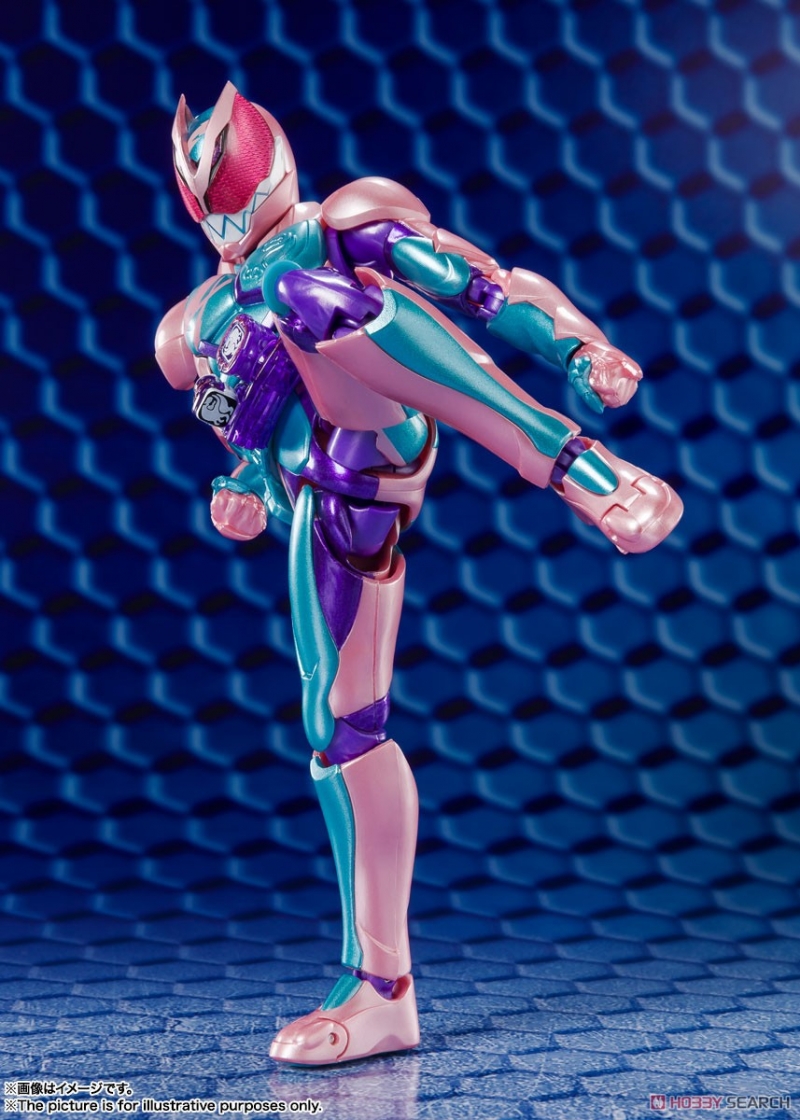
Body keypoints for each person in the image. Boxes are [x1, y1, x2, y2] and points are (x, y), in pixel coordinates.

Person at [156, 82, 683, 1065]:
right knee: (340, 728)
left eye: (228, 176)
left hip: (385, 425)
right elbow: (247, 424)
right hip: (328, 494)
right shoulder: (200, 321)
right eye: (206, 192)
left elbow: (484, 286)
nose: (223, 206)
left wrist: (579, 348)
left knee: (309, 292)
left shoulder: (338, 228)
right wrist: (246, 488)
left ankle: (577, 466)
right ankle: (379, 989)